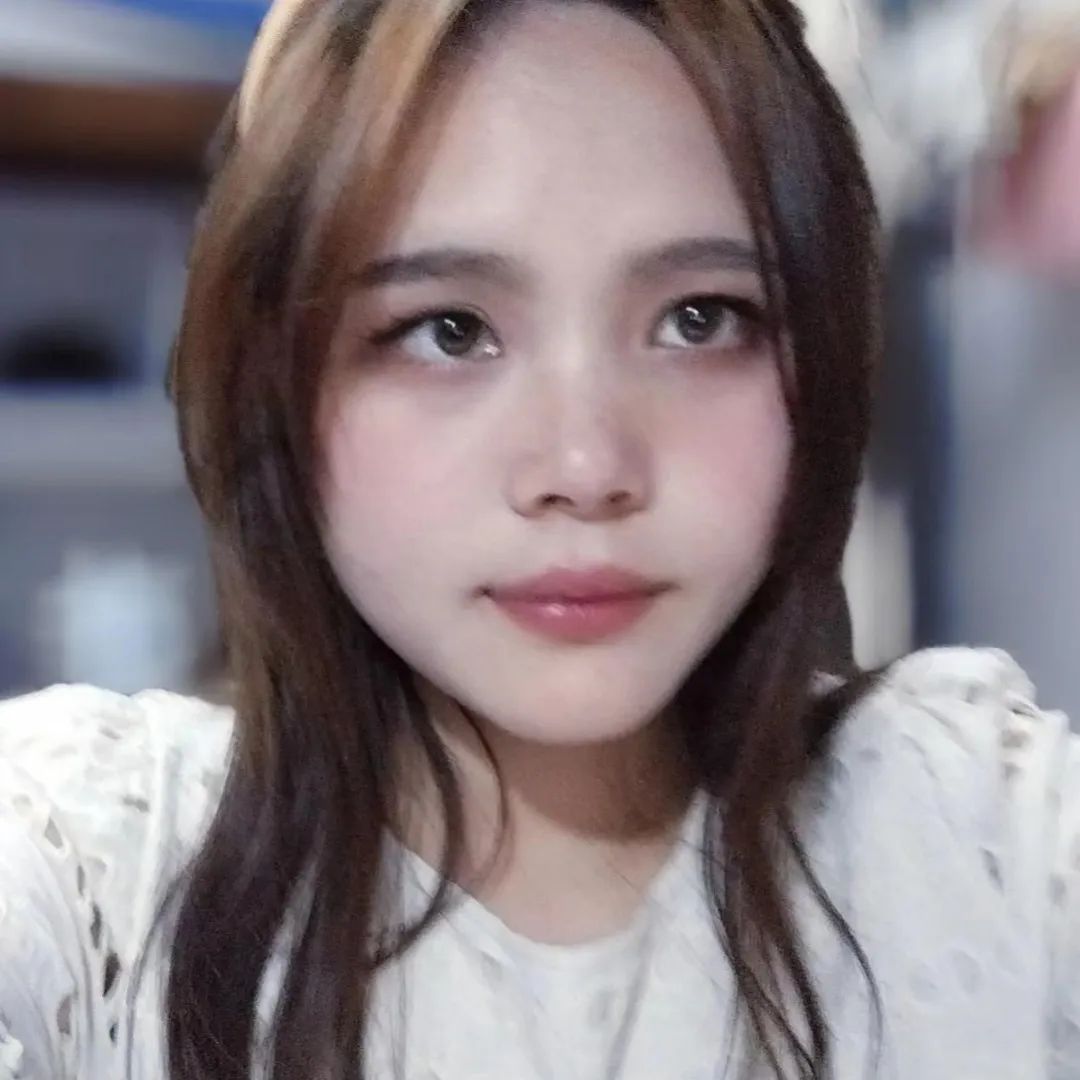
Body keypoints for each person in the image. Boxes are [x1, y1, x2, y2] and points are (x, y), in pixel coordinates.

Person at [0, 2, 1077, 1078]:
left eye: (699, 319)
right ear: (272, 379)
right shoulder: (86, 866)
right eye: (450, 332)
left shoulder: (986, 834)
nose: (586, 466)